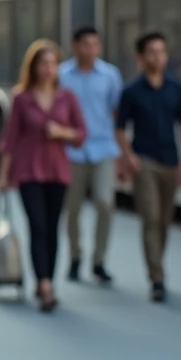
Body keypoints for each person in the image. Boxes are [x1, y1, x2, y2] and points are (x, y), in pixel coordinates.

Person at [0, 40, 86, 313]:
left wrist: (63, 133)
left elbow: (81, 134)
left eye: (53, 64)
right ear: (32, 67)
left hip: (58, 172)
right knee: (37, 225)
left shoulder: (67, 97)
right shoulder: (21, 98)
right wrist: (3, 176)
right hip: (28, 171)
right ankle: (44, 284)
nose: (48, 69)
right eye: (43, 64)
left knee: (52, 228)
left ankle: (48, 278)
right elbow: (10, 139)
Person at [115, 32, 181, 303]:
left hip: (170, 159)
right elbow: (120, 128)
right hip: (144, 160)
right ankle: (157, 277)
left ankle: (157, 263)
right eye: (152, 52)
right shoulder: (131, 91)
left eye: (162, 52)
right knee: (151, 218)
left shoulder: (177, 88)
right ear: (141, 57)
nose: (157, 57)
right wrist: (129, 156)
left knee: (165, 221)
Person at [57, 26, 124, 284]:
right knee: (72, 209)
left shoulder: (110, 75)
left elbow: (117, 113)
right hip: (72, 151)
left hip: (103, 148)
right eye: (86, 44)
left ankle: (99, 261)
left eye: (95, 45)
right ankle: (75, 257)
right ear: (75, 46)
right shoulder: (62, 75)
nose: (91, 50)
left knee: (105, 203)